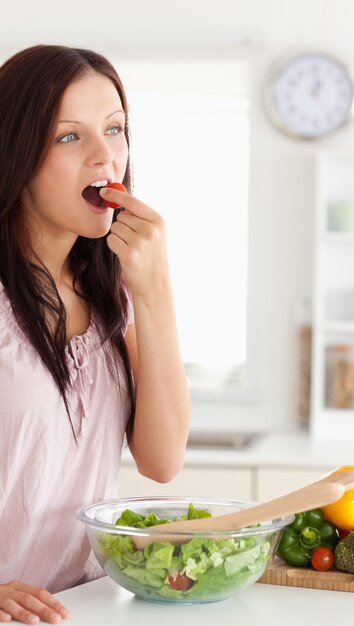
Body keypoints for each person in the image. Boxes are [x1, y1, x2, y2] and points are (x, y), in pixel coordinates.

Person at [0, 44, 191, 624]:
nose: (105, 157)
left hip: (84, 609)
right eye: (69, 137)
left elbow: (162, 460)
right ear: (16, 152)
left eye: (115, 129)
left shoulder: (116, 292)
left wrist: (155, 289)